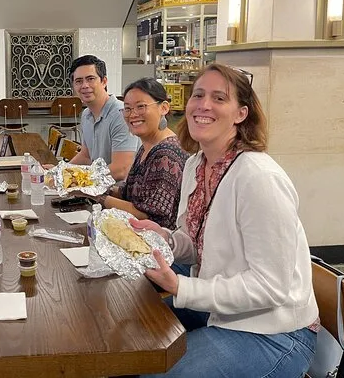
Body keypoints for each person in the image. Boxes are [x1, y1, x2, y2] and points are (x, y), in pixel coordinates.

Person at [132, 64, 318, 377]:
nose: (203, 105)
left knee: (156, 372)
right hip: (221, 312)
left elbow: (270, 287)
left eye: (219, 98)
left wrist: (181, 286)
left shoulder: (259, 178)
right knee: (133, 335)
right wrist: (166, 239)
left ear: (241, 113)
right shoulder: (196, 164)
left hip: (276, 332)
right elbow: (199, 243)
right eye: (198, 95)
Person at [93, 78, 188, 230]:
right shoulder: (146, 147)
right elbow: (128, 194)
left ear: (164, 108)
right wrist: (91, 186)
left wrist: (97, 196)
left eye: (141, 107)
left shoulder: (166, 155)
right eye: (127, 108)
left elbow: (148, 214)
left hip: (157, 241)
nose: (133, 114)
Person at [67, 55, 138, 181]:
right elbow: (86, 156)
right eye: (78, 81)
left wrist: (75, 178)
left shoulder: (121, 114)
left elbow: (121, 169)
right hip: (97, 187)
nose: (84, 85)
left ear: (104, 81)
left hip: (121, 190)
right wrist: (61, 172)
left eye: (90, 79)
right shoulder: (86, 115)